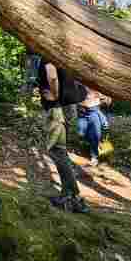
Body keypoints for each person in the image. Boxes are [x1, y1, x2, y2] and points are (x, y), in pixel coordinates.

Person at [39, 59, 87, 212]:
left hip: (57, 109)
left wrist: (55, 94)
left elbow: (52, 76)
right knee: (61, 152)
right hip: (68, 107)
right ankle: (68, 194)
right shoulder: (64, 55)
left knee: (57, 150)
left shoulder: (48, 54)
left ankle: (74, 197)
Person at [76, 85, 112, 166]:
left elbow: (108, 100)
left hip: (94, 111)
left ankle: (94, 157)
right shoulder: (79, 82)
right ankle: (89, 147)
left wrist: (105, 99)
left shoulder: (98, 84)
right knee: (81, 133)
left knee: (95, 135)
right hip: (82, 111)